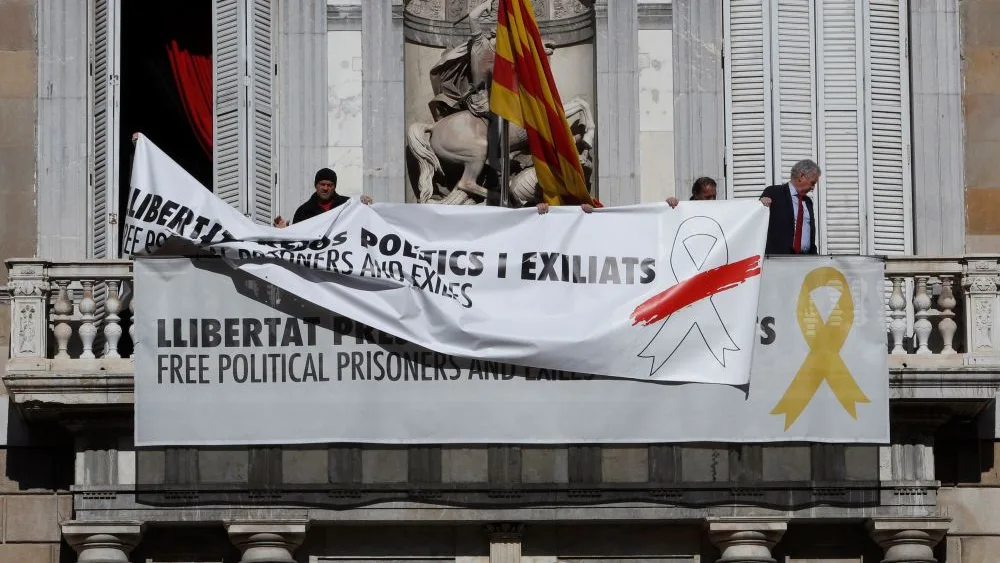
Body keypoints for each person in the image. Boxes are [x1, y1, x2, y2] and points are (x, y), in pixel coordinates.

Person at [758, 159, 821, 255]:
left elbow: (810, 235)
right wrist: (762, 201)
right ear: (801, 176)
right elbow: (758, 216)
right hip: (780, 261)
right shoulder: (773, 193)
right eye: (812, 183)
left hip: (807, 261)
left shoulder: (808, 202)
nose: (813, 188)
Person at [273, 168, 372, 228]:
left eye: (330, 185)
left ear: (334, 187)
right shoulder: (303, 211)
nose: (325, 188)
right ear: (316, 185)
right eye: (322, 184)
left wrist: (362, 206)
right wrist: (284, 231)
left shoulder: (348, 204)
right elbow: (297, 239)